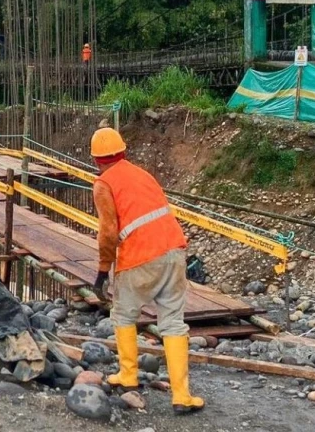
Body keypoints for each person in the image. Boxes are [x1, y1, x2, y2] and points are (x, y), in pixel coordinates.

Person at [90, 127, 204, 415]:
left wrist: (103, 272)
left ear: (95, 160)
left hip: (139, 257)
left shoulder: (104, 183)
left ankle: (128, 375)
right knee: (174, 323)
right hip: (174, 250)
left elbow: (108, 233)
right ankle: (182, 395)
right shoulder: (143, 174)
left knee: (124, 314)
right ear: (124, 152)